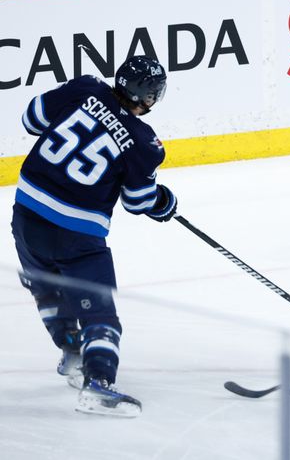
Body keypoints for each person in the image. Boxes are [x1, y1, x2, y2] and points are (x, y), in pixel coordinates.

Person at [12, 56, 177, 417]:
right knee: (100, 312)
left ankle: (72, 356)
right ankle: (99, 384)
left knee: (47, 287)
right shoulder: (144, 143)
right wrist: (163, 201)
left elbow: (31, 119)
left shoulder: (85, 87)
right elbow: (138, 201)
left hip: (26, 215)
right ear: (149, 99)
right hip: (76, 236)